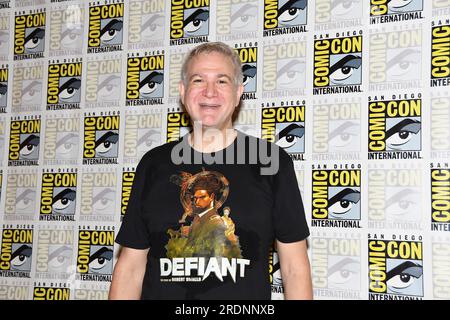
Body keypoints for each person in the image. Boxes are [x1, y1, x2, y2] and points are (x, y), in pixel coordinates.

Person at [109, 42, 312, 300]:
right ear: (183, 92)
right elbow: (130, 268)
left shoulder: (271, 162)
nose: (209, 92)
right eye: (198, 80)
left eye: (222, 81)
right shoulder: (153, 164)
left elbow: (294, 268)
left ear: (239, 93)